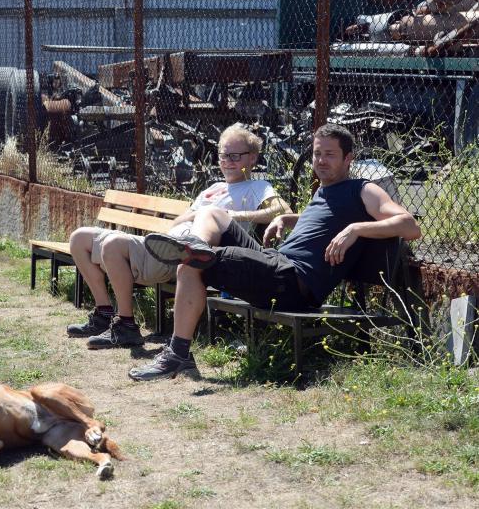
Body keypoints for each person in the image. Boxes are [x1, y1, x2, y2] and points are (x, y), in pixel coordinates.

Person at [130, 123, 422, 381]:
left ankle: (178, 351)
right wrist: (286, 218)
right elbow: (320, 223)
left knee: (190, 265)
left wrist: (355, 229)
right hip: (278, 264)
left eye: (330, 155)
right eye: (317, 153)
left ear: (349, 159)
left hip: (293, 282)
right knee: (212, 213)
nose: (320, 161)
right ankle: (198, 248)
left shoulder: (363, 189)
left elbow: (409, 225)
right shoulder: (323, 191)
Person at [66, 124, 292, 350]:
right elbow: (177, 222)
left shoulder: (258, 186)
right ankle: (104, 314)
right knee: (79, 238)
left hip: (186, 257)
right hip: (167, 242)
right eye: (223, 155)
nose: (227, 161)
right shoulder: (213, 188)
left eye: (235, 156)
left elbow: (283, 210)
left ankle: (126, 325)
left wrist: (231, 215)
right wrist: (192, 217)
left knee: (113, 244)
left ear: (252, 158)